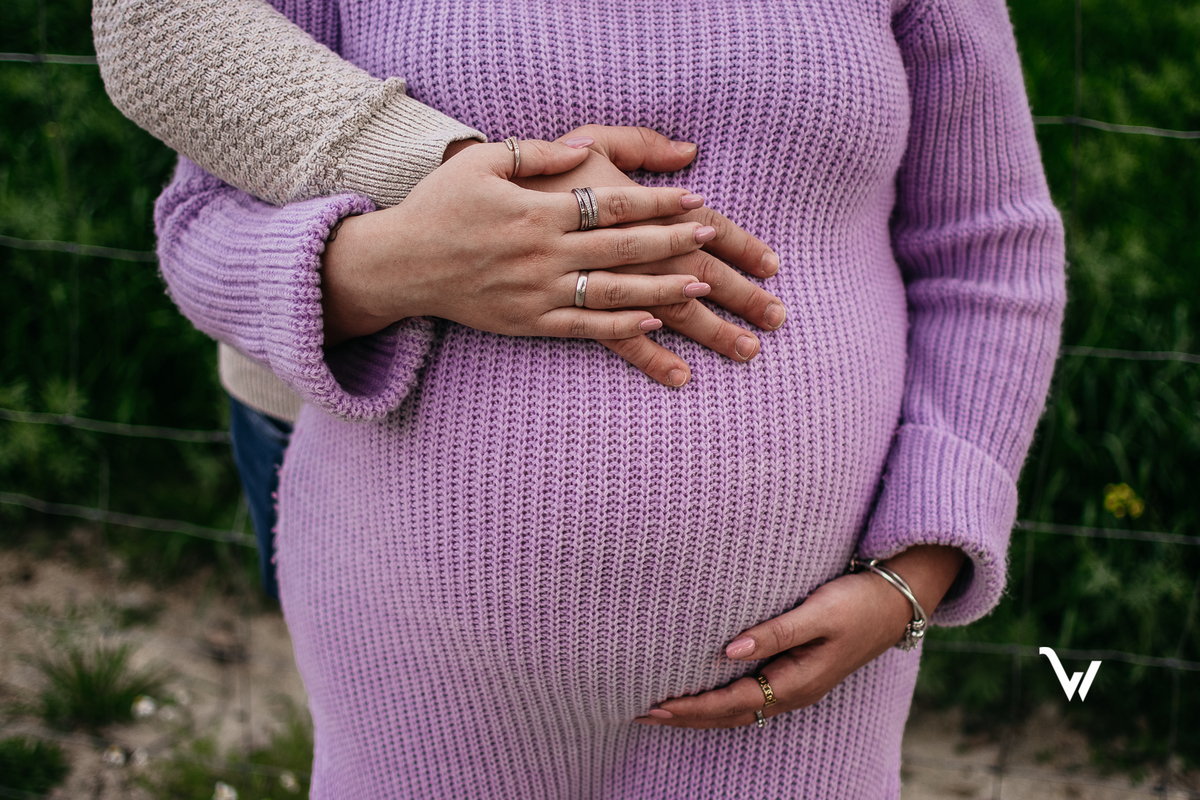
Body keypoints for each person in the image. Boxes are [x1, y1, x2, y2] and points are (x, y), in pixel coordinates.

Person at [93, 0, 1066, 796]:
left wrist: (919, 564)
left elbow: (990, 244)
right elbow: (201, 229)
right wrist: (401, 265)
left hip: (811, 680)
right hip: (420, 665)